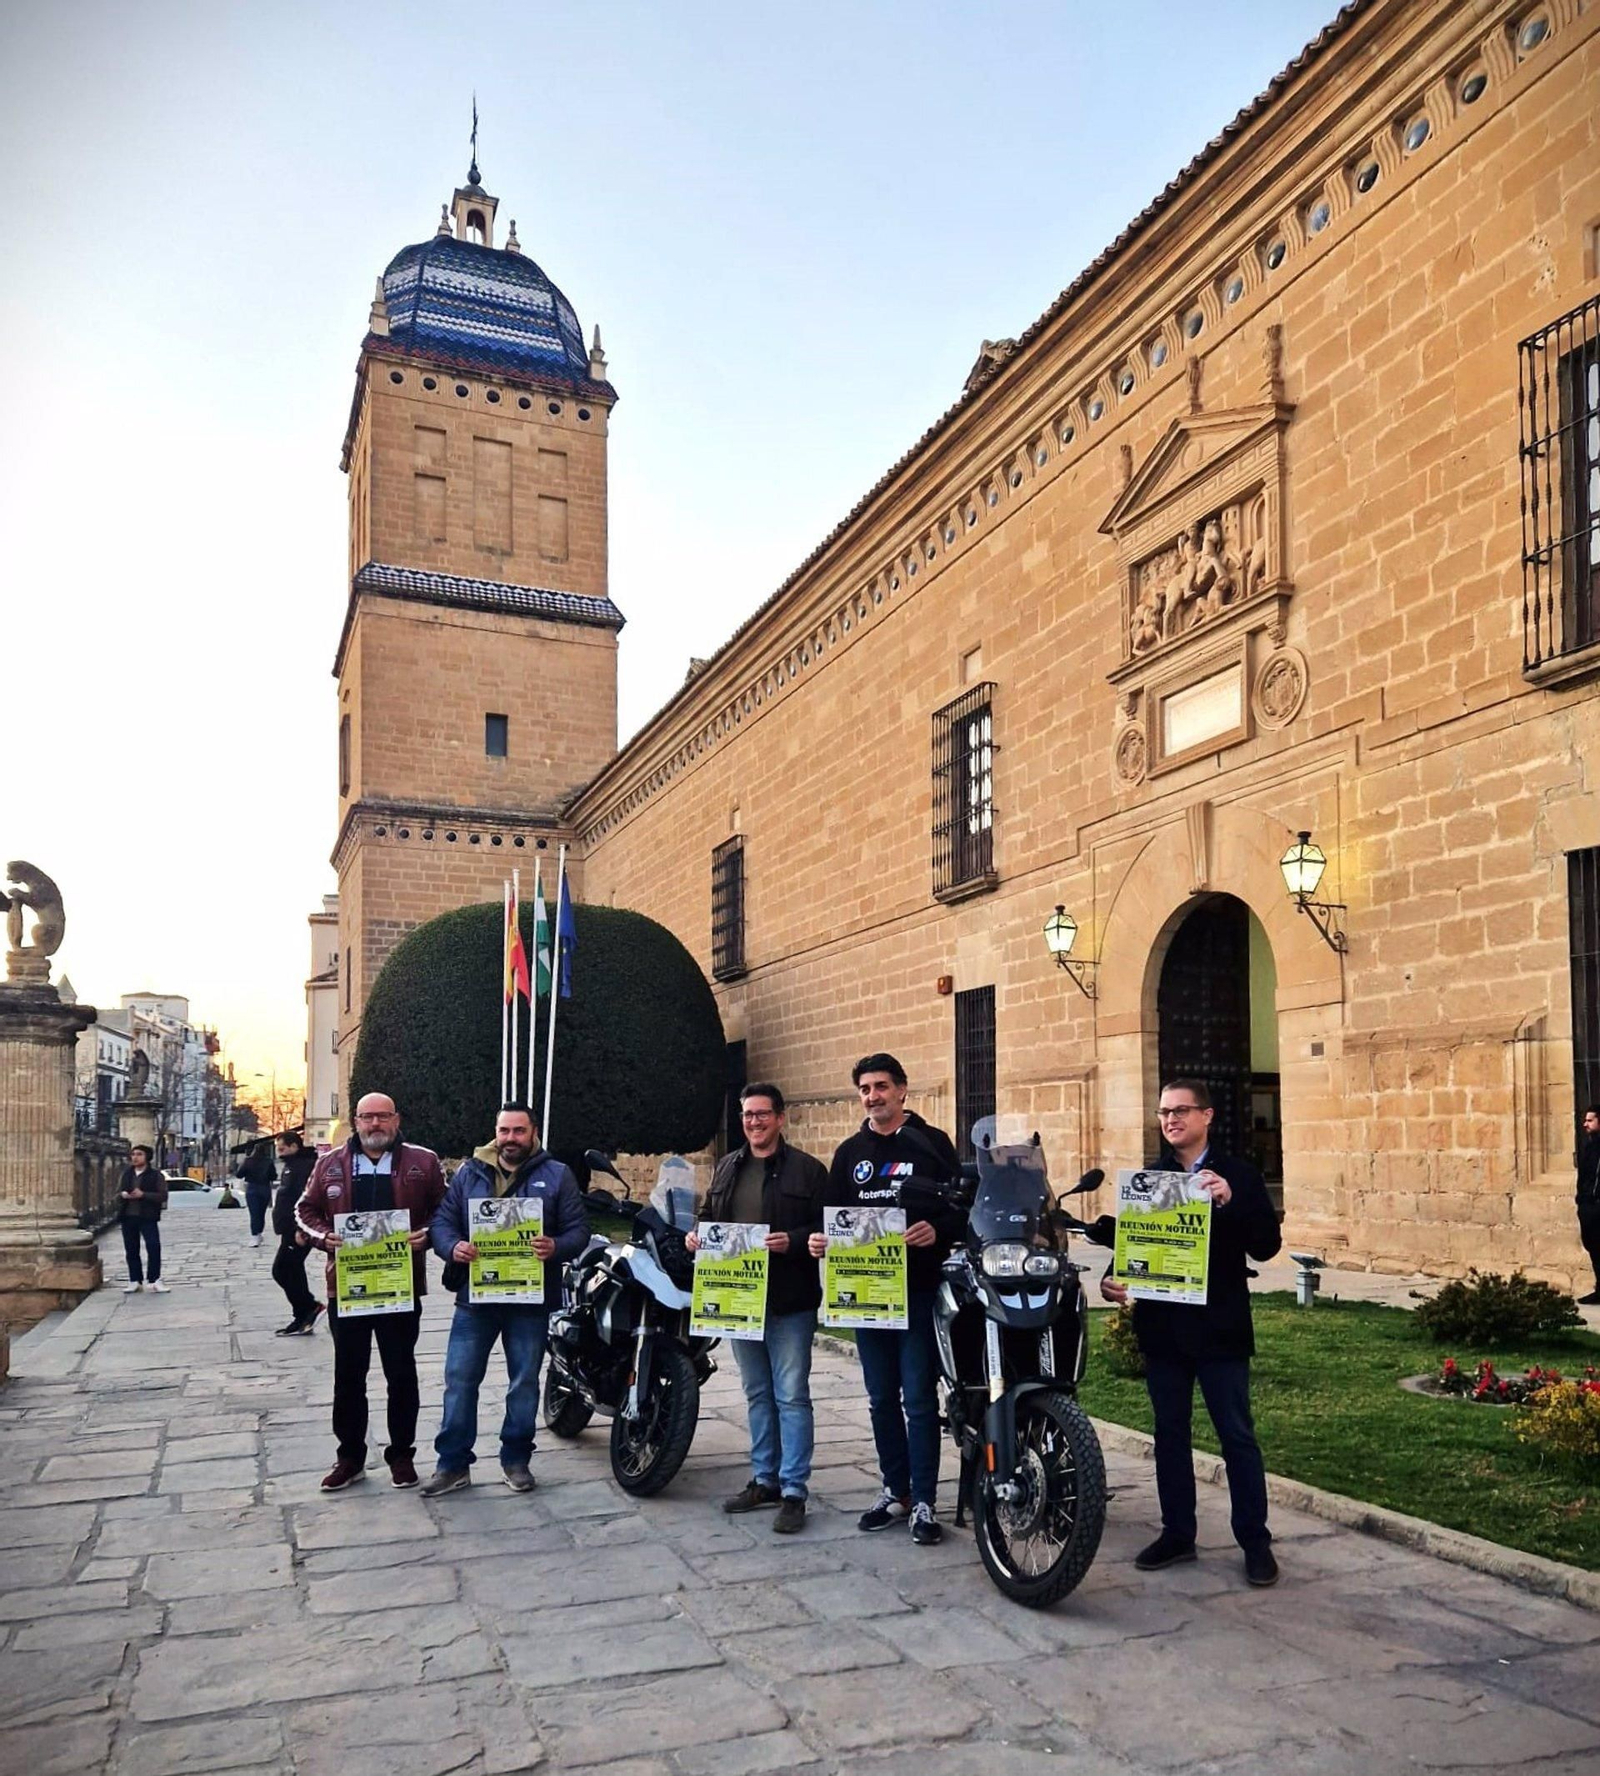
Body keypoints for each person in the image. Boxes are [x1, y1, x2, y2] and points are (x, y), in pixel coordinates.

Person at [1100, 1078, 1283, 1588]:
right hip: (1164, 1331)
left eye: (1181, 1110)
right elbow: (1135, 1248)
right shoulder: (1150, 1181)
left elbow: (1266, 1247)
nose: (1171, 1120)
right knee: (1170, 1435)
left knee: (1237, 1437)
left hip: (1220, 1329)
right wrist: (1112, 1280)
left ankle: (1255, 1542)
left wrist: (1232, 1202)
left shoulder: (1238, 1175)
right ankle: (1178, 1534)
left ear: (1206, 1116)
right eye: (1163, 1112)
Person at [811, 1052, 962, 1547]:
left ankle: (923, 1500)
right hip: (866, 1296)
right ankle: (894, 1491)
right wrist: (820, 1241)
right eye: (864, 1088)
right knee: (880, 1400)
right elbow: (831, 1219)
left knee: (918, 1400)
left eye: (880, 1086)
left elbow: (963, 1211)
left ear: (902, 1090)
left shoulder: (932, 1144)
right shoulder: (849, 1152)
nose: (872, 1096)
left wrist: (934, 1230)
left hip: (918, 1293)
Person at [422, 1103, 588, 1496]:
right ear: (494, 1132)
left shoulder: (558, 1175)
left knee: (524, 1382)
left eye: (518, 1131)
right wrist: (452, 1247)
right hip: (475, 1299)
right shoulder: (468, 1173)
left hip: (530, 1300)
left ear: (533, 1133)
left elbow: (579, 1229)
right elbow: (442, 1222)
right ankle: (452, 1464)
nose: (510, 1139)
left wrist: (557, 1246)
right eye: (504, 1130)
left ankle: (516, 1459)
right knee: (460, 1380)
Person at [691, 1082, 828, 1534]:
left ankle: (793, 1490)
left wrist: (792, 1240)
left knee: (790, 1395)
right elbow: (710, 1215)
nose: (754, 1122)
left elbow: (828, 1228)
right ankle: (764, 1478)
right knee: (757, 1394)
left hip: (790, 1300)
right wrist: (698, 1234)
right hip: (738, 1298)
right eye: (748, 1115)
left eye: (762, 1114)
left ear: (780, 1118)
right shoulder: (728, 1166)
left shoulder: (808, 1171)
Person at [296, 1093, 445, 1492]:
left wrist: (427, 1236)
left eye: (382, 1116)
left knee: (401, 1374)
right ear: (355, 1121)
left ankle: (401, 1455)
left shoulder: (423, 1162)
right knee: (348, 1376)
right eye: (367, 1117)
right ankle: (350, 1457)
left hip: (400, 1285)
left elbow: (446, 1211)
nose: (374, 1124)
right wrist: (325, 1238)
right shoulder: (329, 1164)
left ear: (396, 1119)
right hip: (348, 1288)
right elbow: (303, 1211)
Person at [271, 1130, 322, 1335]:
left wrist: (300, 1228)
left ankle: (308, 1308)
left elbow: (304, 1200)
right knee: (291, 1269)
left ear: (294, 1146)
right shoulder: (291, 1166)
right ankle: (304, 1314)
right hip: (289, 1229)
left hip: (297, 1230)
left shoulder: (302, 1167)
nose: (279, 1152)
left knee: (282, 1270)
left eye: (282, 1148)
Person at [118, 1144, 169, 1294]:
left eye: (139, 1154)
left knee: (153, 1247)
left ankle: (154, 1279)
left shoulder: (155, 1175)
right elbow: (116, 1193)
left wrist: (144, 1195)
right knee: (131, 1249)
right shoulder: (126, 1174)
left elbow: (163, 1196)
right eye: (133, 1154)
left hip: (147, 1216)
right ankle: (135, 1280)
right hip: (128, 1215)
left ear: (147, 1157)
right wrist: (122, 1195)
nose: (135, 1157)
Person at [1577, 1105, 1600, 1307]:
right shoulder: (1589, 1146)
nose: (1585, 1124)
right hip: (1588, 1206)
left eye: (1590, 1120)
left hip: (1596, 1205)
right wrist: (1582, 1200)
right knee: (1593, 1247)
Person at [236, 1138, 277, 1248]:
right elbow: (274, 1176)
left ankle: (255, 1236)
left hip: (252, 1188)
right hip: (264, 1188)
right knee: (261, 1213)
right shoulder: (268, 1161)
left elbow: (239, 1174)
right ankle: (258, 1233)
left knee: (254, 1213)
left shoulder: (248, 1160)